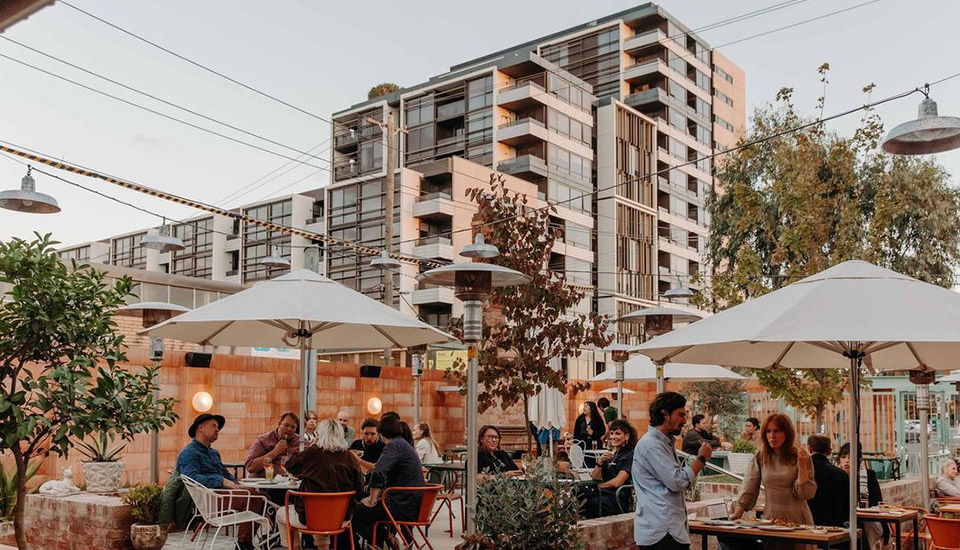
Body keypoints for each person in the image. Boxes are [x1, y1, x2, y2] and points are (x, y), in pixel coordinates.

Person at [634, 392, 713, 549]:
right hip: (661, 532)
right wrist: (701, 460)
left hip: (669, 530)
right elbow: (677, 481)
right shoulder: (652, 445)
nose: (684, 420)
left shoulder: (663, 443)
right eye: (681, 415)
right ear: (665, 414)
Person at [177, 413, 264, 550]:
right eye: (214, 426)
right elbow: (191, 477)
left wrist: (237, 484)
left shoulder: (213, 453)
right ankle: (244, 544)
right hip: (208, 499)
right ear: (200, 427)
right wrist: (220, 480)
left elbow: (226, 474)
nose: (217, 429)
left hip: (222, 495)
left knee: (263, 497)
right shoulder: (188, 453)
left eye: (218, 427)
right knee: (254, 498)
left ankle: (271, 535)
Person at [730, 413, 816, 550]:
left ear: (787, 432)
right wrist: (737, 514)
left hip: (798, 522)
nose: (772, 435)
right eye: (768, 431)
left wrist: (803, 467)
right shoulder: (761, 456)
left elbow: (805, 494)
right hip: (770, 520)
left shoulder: (800, 455)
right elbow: (749, 486)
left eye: (777, 431)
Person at [279, 419, 366, 550]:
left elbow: (290, 466)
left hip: (309, 518)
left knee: (281, 513)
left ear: (320, 435)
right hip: (341, 519)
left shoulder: (312, 453)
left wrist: (312, 446)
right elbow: (359, 488)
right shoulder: (349, 457)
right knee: (321, 513)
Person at [352, 414, 425, 546]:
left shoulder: (394, 446)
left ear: (380, 432)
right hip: (412, 502)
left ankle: (383, 542)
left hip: (400, 505)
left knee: (354, 513)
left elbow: (378, 471)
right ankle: (385, 538)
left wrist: (372, 500)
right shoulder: (403, 444)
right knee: (360, 499)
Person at [583, 419, 637, 518]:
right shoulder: (611, 455)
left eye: (618, 433)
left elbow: (617, 482)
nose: (613, 437)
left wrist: (598, 487)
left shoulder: (630, 455)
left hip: (616, 497)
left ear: (627, 436)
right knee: (577, 495)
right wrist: (600, 463)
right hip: (602, 494)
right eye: (611, 433)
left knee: (589, 502)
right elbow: (595, 477)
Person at [838, 442, 886, 549]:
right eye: (843, 457)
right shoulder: (835, 476)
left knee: (860, 527)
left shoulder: (869, 475)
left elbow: (878, 500)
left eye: (850, 458)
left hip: (866, 519)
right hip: (842, 520)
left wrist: (860, 503)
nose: (846, 461)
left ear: (859, 460)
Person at [806, 434, 848, 528]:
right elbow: (847, 509)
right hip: (834, 527)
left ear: (809, 448)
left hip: (806, 525)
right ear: (829, 450)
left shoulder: (801, 472)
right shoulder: (841, 475)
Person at [245, 412, 302, 477]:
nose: (289, 429)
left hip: (290, 484)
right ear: (279, 424)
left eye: (293, 427)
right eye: (286, 425)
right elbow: (250, 467)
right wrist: (275, 452)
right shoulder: (264, 440)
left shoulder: (301, 442)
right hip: (264, 484)